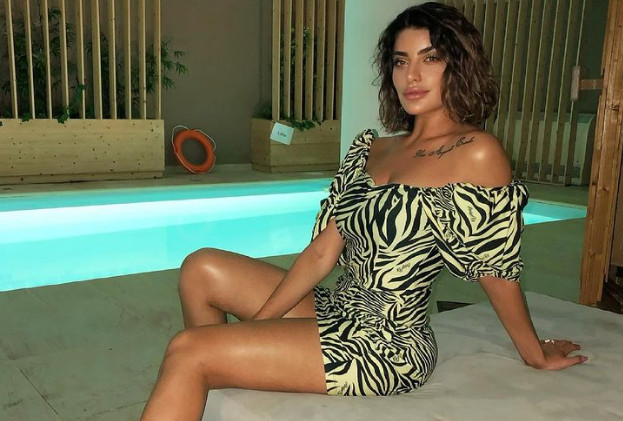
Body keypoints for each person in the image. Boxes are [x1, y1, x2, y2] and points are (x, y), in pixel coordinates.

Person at [140, 2, 587, 420]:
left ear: (458, 65)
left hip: (387, 344)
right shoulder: (374, 148)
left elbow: (496, 271)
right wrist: (258, 327)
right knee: (200, 268)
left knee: (190, 349)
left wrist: (533, 352)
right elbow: (322, 253)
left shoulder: (476, 152)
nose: (411, 75)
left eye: (430, 58)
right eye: (400, 61)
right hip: (336, 307)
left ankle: (205, 366)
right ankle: (218, 377)